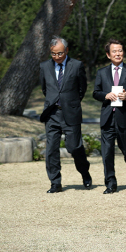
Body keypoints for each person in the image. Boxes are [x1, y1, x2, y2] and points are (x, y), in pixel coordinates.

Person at [39, 36, 92, 193]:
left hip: (71, 113)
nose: (57, 57)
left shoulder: (76, 65)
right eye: (53, 54)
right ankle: (55, 182)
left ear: (67, 50)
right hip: (52, 114)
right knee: (51, 150)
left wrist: (71, 102)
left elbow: (82, 88)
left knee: (74, 147)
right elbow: (44, 89)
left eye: (60, 53)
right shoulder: (44, 66)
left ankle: (85, 172)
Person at [92, 39, 126, 193]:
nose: (118, 54)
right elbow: (95, 92)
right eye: (114, 51)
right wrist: (105, 95)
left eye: (120, 50)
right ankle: (111, 183)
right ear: (108, 55)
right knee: (107, 153)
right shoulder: (101, 72)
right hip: (108, 118)